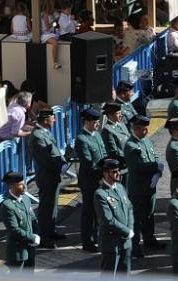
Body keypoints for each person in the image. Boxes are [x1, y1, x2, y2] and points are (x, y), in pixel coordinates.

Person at [124, 114, 165, 257]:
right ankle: (135, 245)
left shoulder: (146, 141)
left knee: (149, 215)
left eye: (147, 129)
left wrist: (156, 169)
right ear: (135, 129)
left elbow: (154, 156)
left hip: (150, 186)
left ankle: (149, 239)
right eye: (143, 129)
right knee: (136, 218)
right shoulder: (130, 146)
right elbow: (137, 166)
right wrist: (156, 166)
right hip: (138, 188)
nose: (146, 132)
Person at [27, 108, 67, 248]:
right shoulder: (37, 136)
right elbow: (46, 159)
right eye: (52, 118)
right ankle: (44, 237)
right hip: (47, 175)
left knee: (52, 206)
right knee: (46, 208)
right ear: (45, 120)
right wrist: (60, 167)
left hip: (53, 174)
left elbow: (54, 150)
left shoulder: (44, 132)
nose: (54, 120)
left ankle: (51, 231)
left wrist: (63, 162)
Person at [74, 107, 107, 252]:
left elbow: (103, 154)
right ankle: (87, 241)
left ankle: (97, 237)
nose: (98, 124)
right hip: (90, 180)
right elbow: (88, 163)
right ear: (87, 122)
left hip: (100, 178)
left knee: (98, 211)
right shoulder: (81, 139)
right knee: (89, 211)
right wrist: (102, 174)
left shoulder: (96, 135)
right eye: (95, 122)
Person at [94, 158, 134, 277]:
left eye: (118, 171)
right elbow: (108, 220)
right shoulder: (100, 194)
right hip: (111, 243)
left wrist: (130, 228)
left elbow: (129, 208)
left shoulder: (120, 187)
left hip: (125, 242)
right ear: (106, 173)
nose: (118, 174)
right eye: (114, 171)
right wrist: (126, 231)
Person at [0, 170, 39, 271]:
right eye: (21, 184)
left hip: (30, 248)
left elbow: (32, 219)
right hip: (17, 251)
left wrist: (37, 234)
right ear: (12, 186)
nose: (25, 186)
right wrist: (32, 237)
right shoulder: (8, 205)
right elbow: (14, 230)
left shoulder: (25, 199)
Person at [101, 103, 129, 185]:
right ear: (110, 114)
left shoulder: (122, 125)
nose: (121, 115)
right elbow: (113, 151)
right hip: (120, 167)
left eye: (121, 113)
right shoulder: (107, 130)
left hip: (128, 165)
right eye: (118, 113)